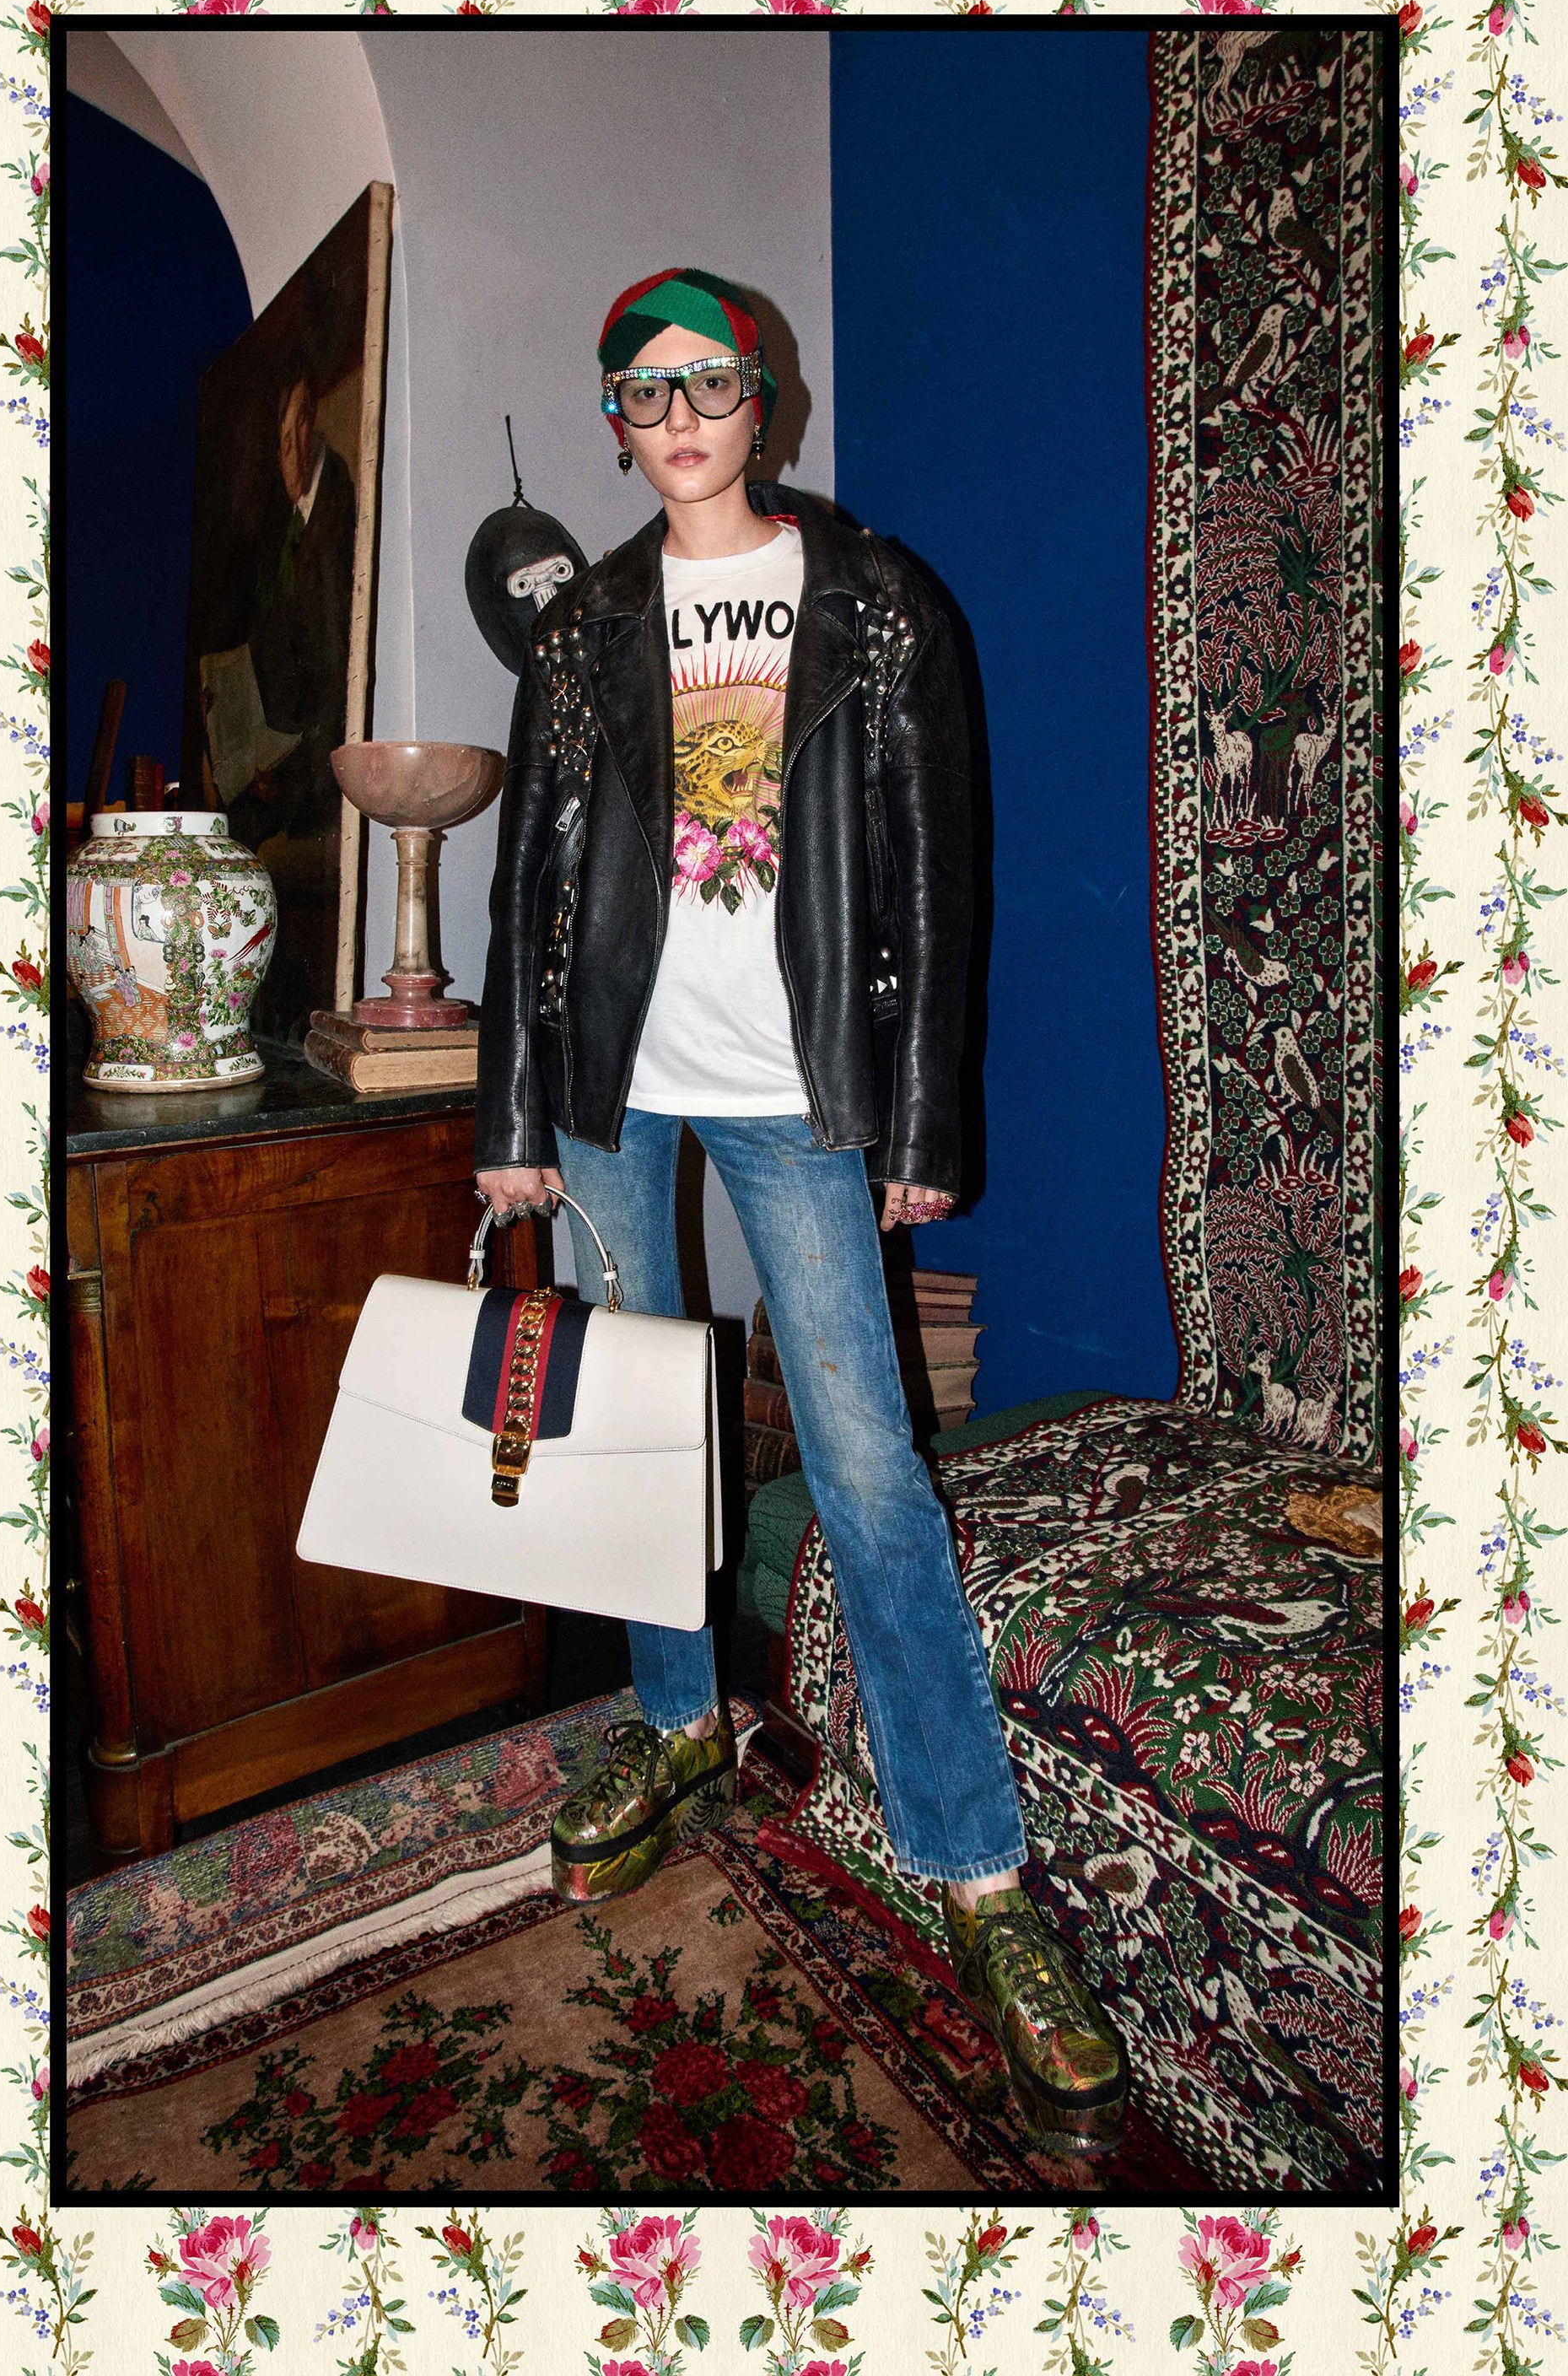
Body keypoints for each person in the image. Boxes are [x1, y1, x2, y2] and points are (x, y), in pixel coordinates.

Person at [472, 267, 1127, 2154]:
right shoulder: (584, 628)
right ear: (616, 422)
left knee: (869, 1469)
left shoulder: (878, 601)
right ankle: (680, 1728)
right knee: (630, 1441)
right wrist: (514, 1115)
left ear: (764, 402)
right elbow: (529, 883)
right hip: (609, 1086)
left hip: (796, 1089)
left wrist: (919, 1114)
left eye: (711, 383)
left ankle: (977, 1872)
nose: (680, 415)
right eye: (645, 390)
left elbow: (938, 870)